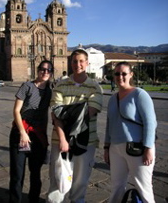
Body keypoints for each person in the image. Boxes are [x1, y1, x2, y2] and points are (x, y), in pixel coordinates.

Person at [46, 48, 103, 203]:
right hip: (60, 141)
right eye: (74, 61)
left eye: (81, 61)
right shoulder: (60, 85)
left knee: (81, 181)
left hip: (86, 142)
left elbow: (90, 112)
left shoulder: (95, 87)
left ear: (87, 63)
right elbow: (55, 114)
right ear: (70, 63)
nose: (78, 64)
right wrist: (64, 139)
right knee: (57, 181)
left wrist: (64, 111)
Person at [104, 61, 157, 203]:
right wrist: (106, 147)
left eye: (123, 74)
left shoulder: (140, 94)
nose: (120, 76)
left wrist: (148, 148)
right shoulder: (112, 99)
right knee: (116, 186)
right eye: (117, 74)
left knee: (143, 188)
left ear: (131, 75)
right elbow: (110, 124)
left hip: (137, 147)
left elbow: (150, 123)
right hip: (115, 149)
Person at [9, 60, 54, 203]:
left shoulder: (50, 91)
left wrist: (45, 140)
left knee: (36, 174)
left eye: (48, 70)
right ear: (37, 69)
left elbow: (46, 116)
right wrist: (22, 133)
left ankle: (33, 200)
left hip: (37, 137)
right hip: (20, 134)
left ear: (51, 73)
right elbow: (16, 111)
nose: (45, 72)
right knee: (17, 174)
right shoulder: (27, 86)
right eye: (42, 69)